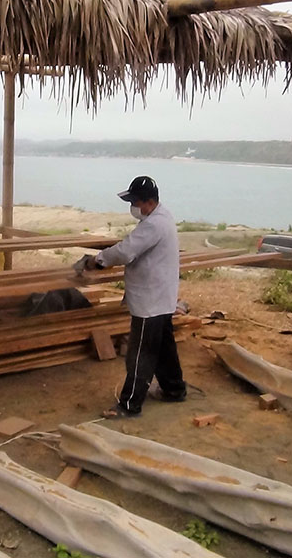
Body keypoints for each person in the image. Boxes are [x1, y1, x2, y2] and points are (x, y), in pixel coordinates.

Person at [77, 175, 187, 418]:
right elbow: (134, 247)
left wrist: (96, 261)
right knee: (164, 348)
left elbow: (126, 251)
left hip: (150, 301)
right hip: (161, 297)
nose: (133, 207)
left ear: (148, 202)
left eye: (135, 202)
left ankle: (129, 405)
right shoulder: (162, 216)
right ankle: (174, 389)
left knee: (140, 354)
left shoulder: (153, 225)